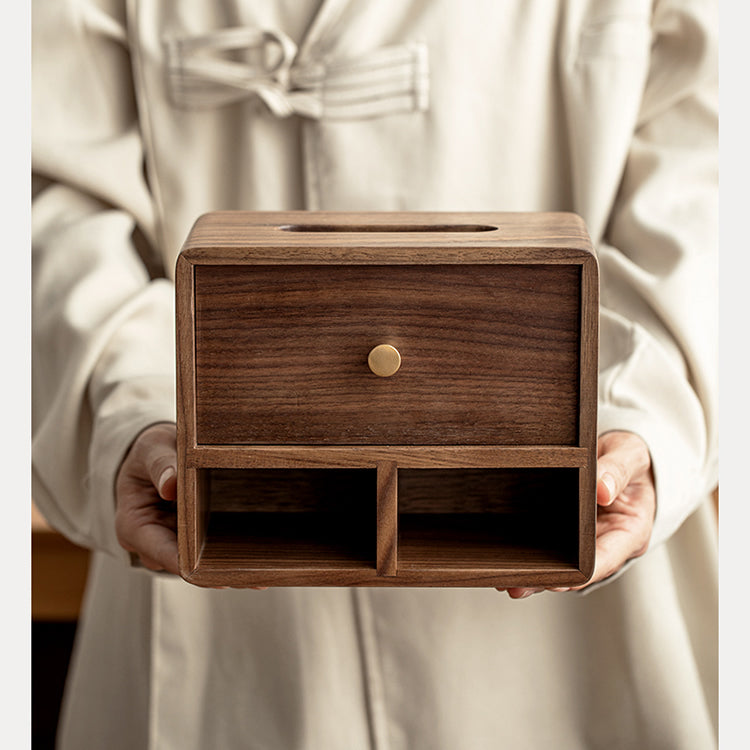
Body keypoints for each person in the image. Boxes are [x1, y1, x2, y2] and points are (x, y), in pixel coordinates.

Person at [32, 1, 718, 748]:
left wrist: (641, 409)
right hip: (218, 527)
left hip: (563, 529)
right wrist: (134, 410)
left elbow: (711, 166)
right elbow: (48, 194)